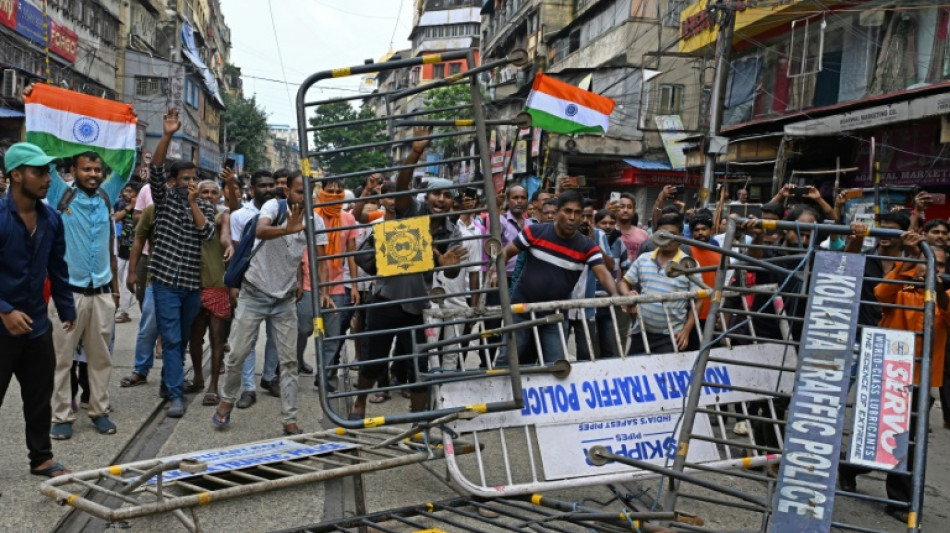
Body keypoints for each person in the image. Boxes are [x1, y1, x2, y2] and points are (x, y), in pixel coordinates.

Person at [350, 129, 469, 418]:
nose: (441, 199)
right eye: (437, 193)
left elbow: (452, 272)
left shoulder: (453, 232)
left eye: (447, 195)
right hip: (385, 299)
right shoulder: (411, 210)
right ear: (427, 197)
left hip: (417, 307)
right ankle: (359, 404)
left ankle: (419, 423)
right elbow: (402, 185)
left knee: (419, 366)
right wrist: (415, 153)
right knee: (373, 362)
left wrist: (445, 264)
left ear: (453, 202)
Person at [214, 173, 312, 435]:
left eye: (310, 192)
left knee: (289, 362)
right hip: (254, 293)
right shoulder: (274, 207)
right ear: (288, 190)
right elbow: (260, 229)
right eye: (300, 191)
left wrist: (311, 286)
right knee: (236, 354)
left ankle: (289, 418)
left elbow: (315, 257)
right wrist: (286, 229)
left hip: (285, 300)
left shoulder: (316, 219)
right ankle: (227, 398)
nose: (305, 197)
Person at [0, 142, 76, 477]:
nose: (48, 178)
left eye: (49, 171)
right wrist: (4, 310)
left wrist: (66, 306)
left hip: (37, 324)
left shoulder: (51, 219)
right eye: (39, 171)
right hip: (2, 326)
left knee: (39, 395)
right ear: (16, 175)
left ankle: (41, 457)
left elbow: (57, 266)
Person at [45, 150, 126, 439]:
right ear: (73, 170)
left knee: (100, 358)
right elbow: (45, 155)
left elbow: (126, 164)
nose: (93, 174)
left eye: (97, 169)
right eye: (86, 169)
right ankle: (62, 416)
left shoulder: (107, 194)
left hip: (101, 294)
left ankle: (99, 412)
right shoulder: (60, 193)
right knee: (61, 359)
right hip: (68, 294)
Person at [874, 236, 950, 522]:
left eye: (938, 265)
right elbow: (881, 294)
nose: (930, 269)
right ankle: (852, 468)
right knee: (881, 438)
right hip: (890, 376)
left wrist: (939, 293)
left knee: (907, 441)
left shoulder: (944, 296)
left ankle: (899, 501)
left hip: (920, 383)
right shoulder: (901, 288)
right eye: (926, 263)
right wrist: (907, 260)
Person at [148, 109, 217, 418]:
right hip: (165, 282)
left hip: (191, 285)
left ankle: (168, 382)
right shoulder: (162, 198)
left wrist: (194, 204)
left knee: (183, 339)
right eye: (186, 178)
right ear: (174, 181)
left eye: (194, 178)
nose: (191, 182)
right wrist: (166, 135)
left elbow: (206, 232)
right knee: (172, 338)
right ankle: (176, 395)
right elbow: (156, 168)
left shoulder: (203, 205)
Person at [499, 190, 619, 365]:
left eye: (577, 213)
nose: (572, 217)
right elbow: (506, 253)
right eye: (568, 211)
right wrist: (498, 280)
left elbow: (603, 273)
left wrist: (615, 295)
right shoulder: (534, 232)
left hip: (554, 315)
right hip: (521, 309)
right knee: (507, 360)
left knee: (557, 366)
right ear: (557, 212)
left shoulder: (587, 246)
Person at [229, 170, 281, 405]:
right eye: (262, 185)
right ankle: (248, 388)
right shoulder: (240, 215)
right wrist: (234, 285)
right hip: (251, 285)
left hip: (280, 285)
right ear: (252, 190)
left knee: (276, 337)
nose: (268, 189)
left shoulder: (285, 211)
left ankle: (269, 377)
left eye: (271, 185)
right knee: (247, 339)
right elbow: (237, 252)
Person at [621, 213, 699, 355]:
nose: (667, 238)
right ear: (656, 235)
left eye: (672, 234)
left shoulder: (688, 264)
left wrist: (686, 331)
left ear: (680, 237)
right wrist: (628, 294)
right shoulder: (643, 259)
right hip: (641, 332)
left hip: (671, 337)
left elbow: (699, 299)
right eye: (663, 234)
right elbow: (624, 282)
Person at [190, 179, 234, 406]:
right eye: (204, 192)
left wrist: (228, 246)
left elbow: (225, 235)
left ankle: (213, 386)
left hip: (217, 284)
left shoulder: (222, 216)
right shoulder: (188, 215)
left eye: (213, 192)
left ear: (219, 196)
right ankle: (197, 377)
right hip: (193, 284)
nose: (208, 196)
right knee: (195, 339)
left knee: (217, 340)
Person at [313, 176, 360, 388]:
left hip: (337, 285)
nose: (334, 195)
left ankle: (325, 374)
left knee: (333, 335)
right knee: (304, 328)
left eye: (338, 192)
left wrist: (355, 286)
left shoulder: (348, 219)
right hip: (310, 283)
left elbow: (351, 256)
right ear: (321, 192)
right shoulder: (311, 216)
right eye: (330, 191)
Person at [113, 183, 139, 323]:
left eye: (130, 191)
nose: (125, 194)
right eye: (125, 191)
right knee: (117, 279)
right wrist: (129, 207)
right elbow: (115, 218)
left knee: (126, 283)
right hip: (122, 249)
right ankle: (119, 307)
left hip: (134, 251)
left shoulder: (141, 209)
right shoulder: (124, 206)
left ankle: (124, 311)